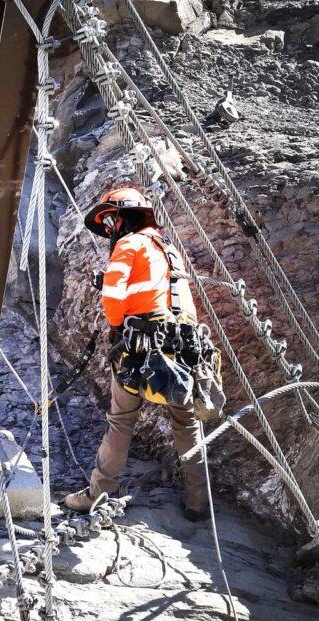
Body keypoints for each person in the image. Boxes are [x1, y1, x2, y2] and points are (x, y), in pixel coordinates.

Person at [64, 186, 209, 521]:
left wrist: (116, 325)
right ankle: (198, 502)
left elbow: (114, 299)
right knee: (186, 422)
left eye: (112, 219)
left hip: (142, 347)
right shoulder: (168, 248)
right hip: (185, 346)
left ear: (125, 216)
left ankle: (98, 494)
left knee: (120, 420)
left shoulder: (129, 244)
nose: (110, 229)